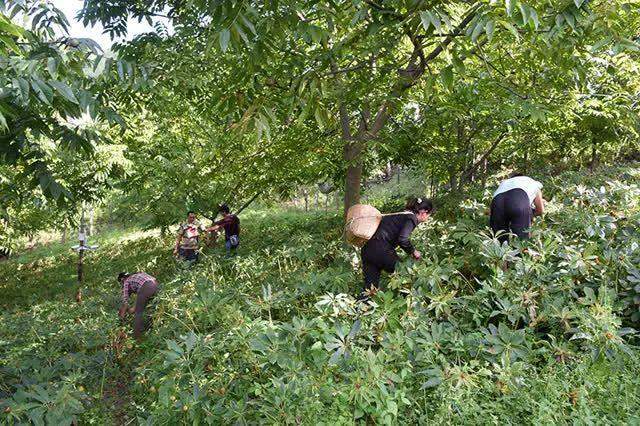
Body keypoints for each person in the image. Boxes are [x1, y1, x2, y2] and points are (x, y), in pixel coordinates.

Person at [360, 197, 434, 295]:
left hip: (367, 250)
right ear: (423, 212)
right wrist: (413, 251)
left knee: (369, 290)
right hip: (381, 251)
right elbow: (403, 239)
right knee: (406, 276)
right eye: (429, 214)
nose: (428, 217)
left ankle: (361, 307)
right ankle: (409, 303)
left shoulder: (400, 215)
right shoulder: (411, 218)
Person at [490, 173, 545, 244]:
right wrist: (529, 215)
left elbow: (491, 211)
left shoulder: (504, 183)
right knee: (521, 244)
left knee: (500, 242)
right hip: (519, 198)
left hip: (497, 202)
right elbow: (540, 211)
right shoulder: (532, 182)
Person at [117, 271, 159, 340]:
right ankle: (152, 330)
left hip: (146, 287)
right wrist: (133, 308)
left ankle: (137, 339)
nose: (122, 285)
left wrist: (122, 316)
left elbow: (125, 301)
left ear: (122, 279)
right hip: (155, 285)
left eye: (121, 283)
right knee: (151, 309)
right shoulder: (138, 275)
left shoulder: (126, 281)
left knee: (138, 313)